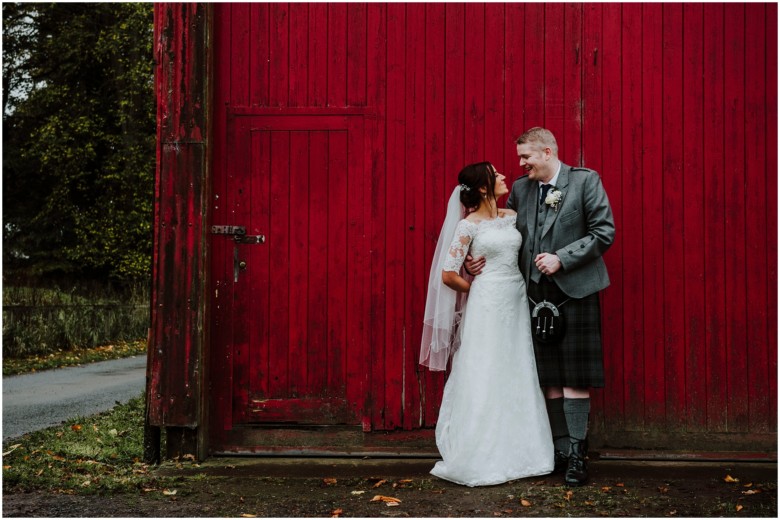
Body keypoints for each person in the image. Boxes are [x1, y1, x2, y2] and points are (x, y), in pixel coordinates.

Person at [466, 127, 615, 486]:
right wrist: (476, 260)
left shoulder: (585, 181)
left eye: (526, 157)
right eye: (520, 158)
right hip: (532, 296)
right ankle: (560, 450)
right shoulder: (520, 188)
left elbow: (603, 231)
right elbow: (503, 233)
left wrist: (563, 258)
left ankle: (578, 453)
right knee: (549, 379)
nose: (521, 164)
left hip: (576, 291)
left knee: (575, 379)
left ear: (547, 153)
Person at [419, 161, 554, 487]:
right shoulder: (468, 226)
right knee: (486, 369)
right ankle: (480, 453)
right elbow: (448, 274)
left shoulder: (511, 217)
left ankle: (524, 453)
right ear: (483, 187)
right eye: (497, 175)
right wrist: (474, 286)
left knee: (516, 367)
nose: (505, 177)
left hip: (515, 298)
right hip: (487, 301)